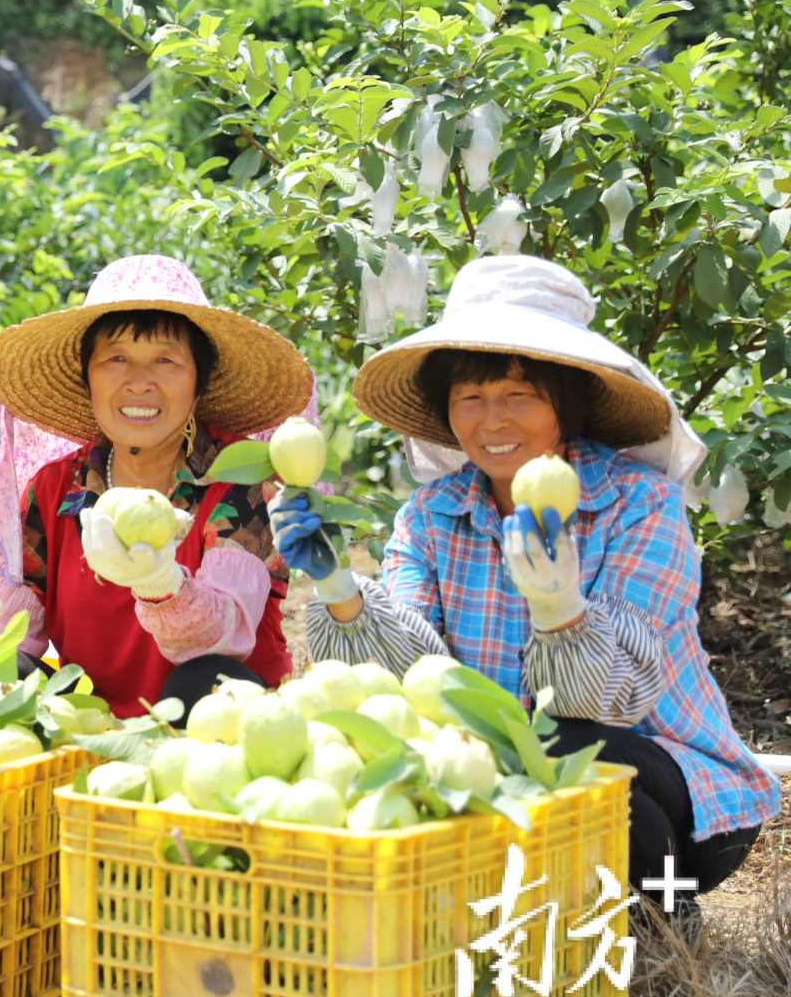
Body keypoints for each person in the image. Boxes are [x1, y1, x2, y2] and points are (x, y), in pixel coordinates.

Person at [285, 253, 779, 904]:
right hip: (509, 787)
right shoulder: (434, 515)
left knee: (563, 741)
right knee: (497, 753)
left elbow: (610, 703)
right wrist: (339, 590)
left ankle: (658, 912)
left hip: (677, 794)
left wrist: (559, 605)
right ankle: (574, 904)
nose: (492, 422)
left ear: (564, 401)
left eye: (518, 395)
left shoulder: (639, 505)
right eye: (471, 398)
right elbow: (418, 680)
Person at [0, 256, 315, 719]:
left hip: (215, 728)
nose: (139, 382)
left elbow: (216, 640)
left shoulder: (240, 484)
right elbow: (4, 629)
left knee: (200, 682)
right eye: (116, 358)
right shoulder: (56, 490)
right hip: (90, 726)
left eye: (166, 360)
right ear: (87, 379)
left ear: (199, 384)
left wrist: (158, 582)